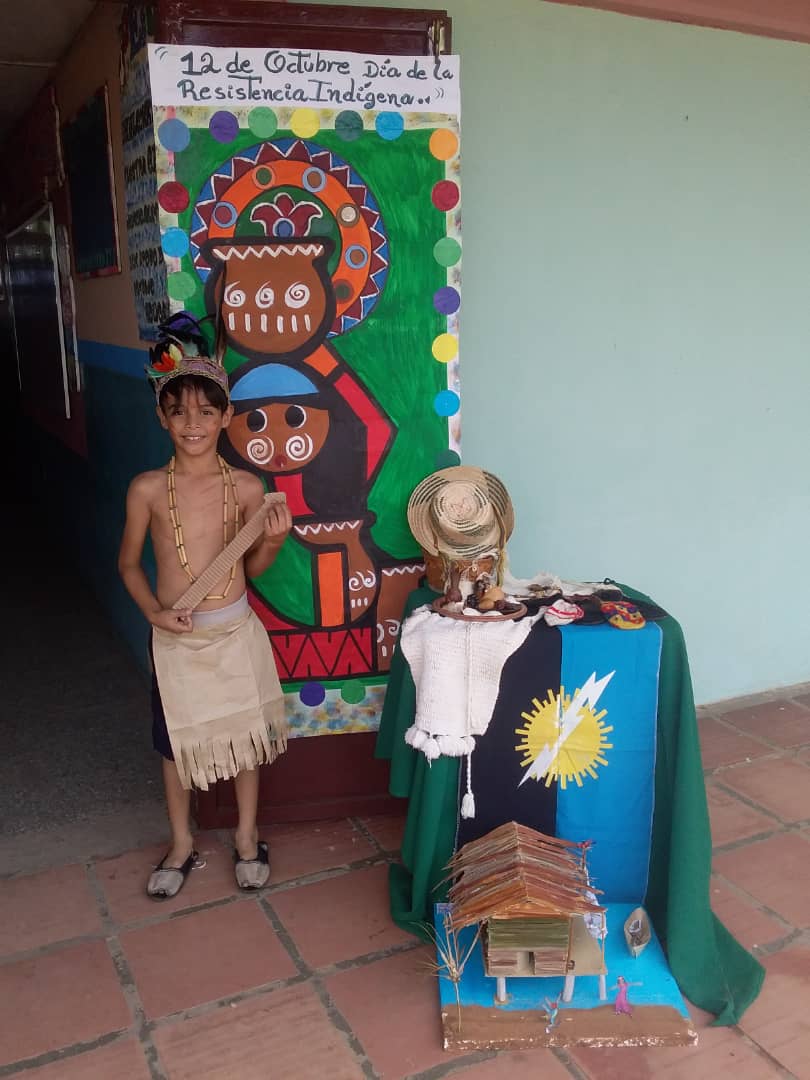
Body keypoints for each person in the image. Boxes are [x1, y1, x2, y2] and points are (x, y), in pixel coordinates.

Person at [118, 313, 292, 899]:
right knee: (175, 746)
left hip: (234, 632)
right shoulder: (146, 489)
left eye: (205, 412)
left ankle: (246, 836)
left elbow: (251, 570)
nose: (192, 424)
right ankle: (181, 841)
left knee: (244, 740)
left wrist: (272, 541)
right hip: (175, 640)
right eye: (178, 412)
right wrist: (153, 613)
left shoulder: (245, 487)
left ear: (226, 416)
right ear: (161, 416)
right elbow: (128, 565)